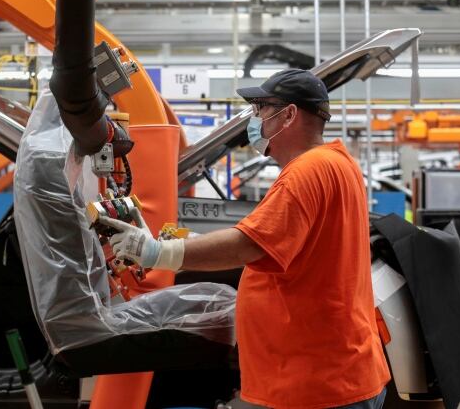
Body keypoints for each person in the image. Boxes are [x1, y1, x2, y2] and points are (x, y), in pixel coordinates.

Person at [99, 69, 390, 409]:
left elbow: (248, 244)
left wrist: (154, 251)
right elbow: (287, 241)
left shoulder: (306, 172)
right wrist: (194, 240)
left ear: (289, 115)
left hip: (316, 381)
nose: (256, 119)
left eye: (261, 109)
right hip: (335, 367)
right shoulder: (338, 163)